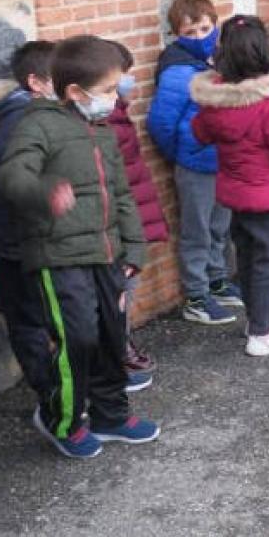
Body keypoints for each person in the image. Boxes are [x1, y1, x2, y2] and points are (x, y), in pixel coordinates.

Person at [0, 35, 160, 457]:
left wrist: (134, 250)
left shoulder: (102, 131)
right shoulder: (37, 124)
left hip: (107, 254)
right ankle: (61, 419)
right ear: (74, 91)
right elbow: (14, 174)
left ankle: (110, 414)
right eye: (108, 90)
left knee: (111, 335)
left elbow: (122, 195)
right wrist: (44, 190)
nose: (115, 97)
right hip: (58, 257)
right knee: (78, 338)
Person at [190, 16, 269, 357]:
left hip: (237, 193)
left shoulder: (216, 99)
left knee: (247, 258)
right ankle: (262, 332)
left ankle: (260, 317)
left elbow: (200, 133)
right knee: (267, 262)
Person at [0, 41, 63, 429]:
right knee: (30, 321)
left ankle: (62, 390)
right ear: (36, 82)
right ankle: (51, 398)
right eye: (60, 79)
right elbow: (23, 183)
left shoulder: (29, 114)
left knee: (41, 318)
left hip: (24, 239)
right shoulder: (19, 121)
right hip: (17, 242)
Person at [147, 0, 243, 325]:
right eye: (190, 33)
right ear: (178, 35)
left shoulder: (220, 62)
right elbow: (161, 123)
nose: (200, 38)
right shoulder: (177, 71)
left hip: (223, 161)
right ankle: (197, 294)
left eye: (205, 29)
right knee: (197, 230)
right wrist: (183, 154)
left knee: (220, 225)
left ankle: (217, 279)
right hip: (196, 164)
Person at [107, 43, 167, 392]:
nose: (130, 80)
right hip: (118, 226)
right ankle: (116, 356)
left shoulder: (117, 113)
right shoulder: (104, 122)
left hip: (130, 220)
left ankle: (121, 346)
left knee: (124, 290)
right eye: (122, 75)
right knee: (117, 293)